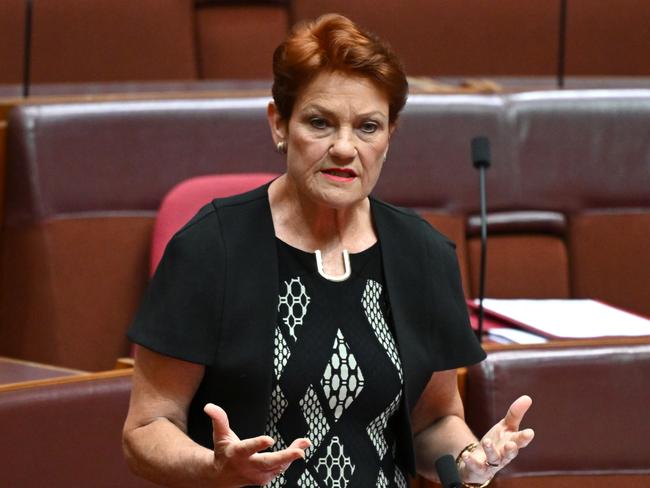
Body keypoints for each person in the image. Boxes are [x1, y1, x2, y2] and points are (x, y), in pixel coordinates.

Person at [123, 13, 534, 488]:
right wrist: (214, 468)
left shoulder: (423, 255)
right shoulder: (210, 249)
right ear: (280, 124)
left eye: (367, 127)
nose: (344, 147)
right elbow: (146, 428)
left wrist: (470, 461)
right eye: (320, 123)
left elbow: (433, 422)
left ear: (390, 137)